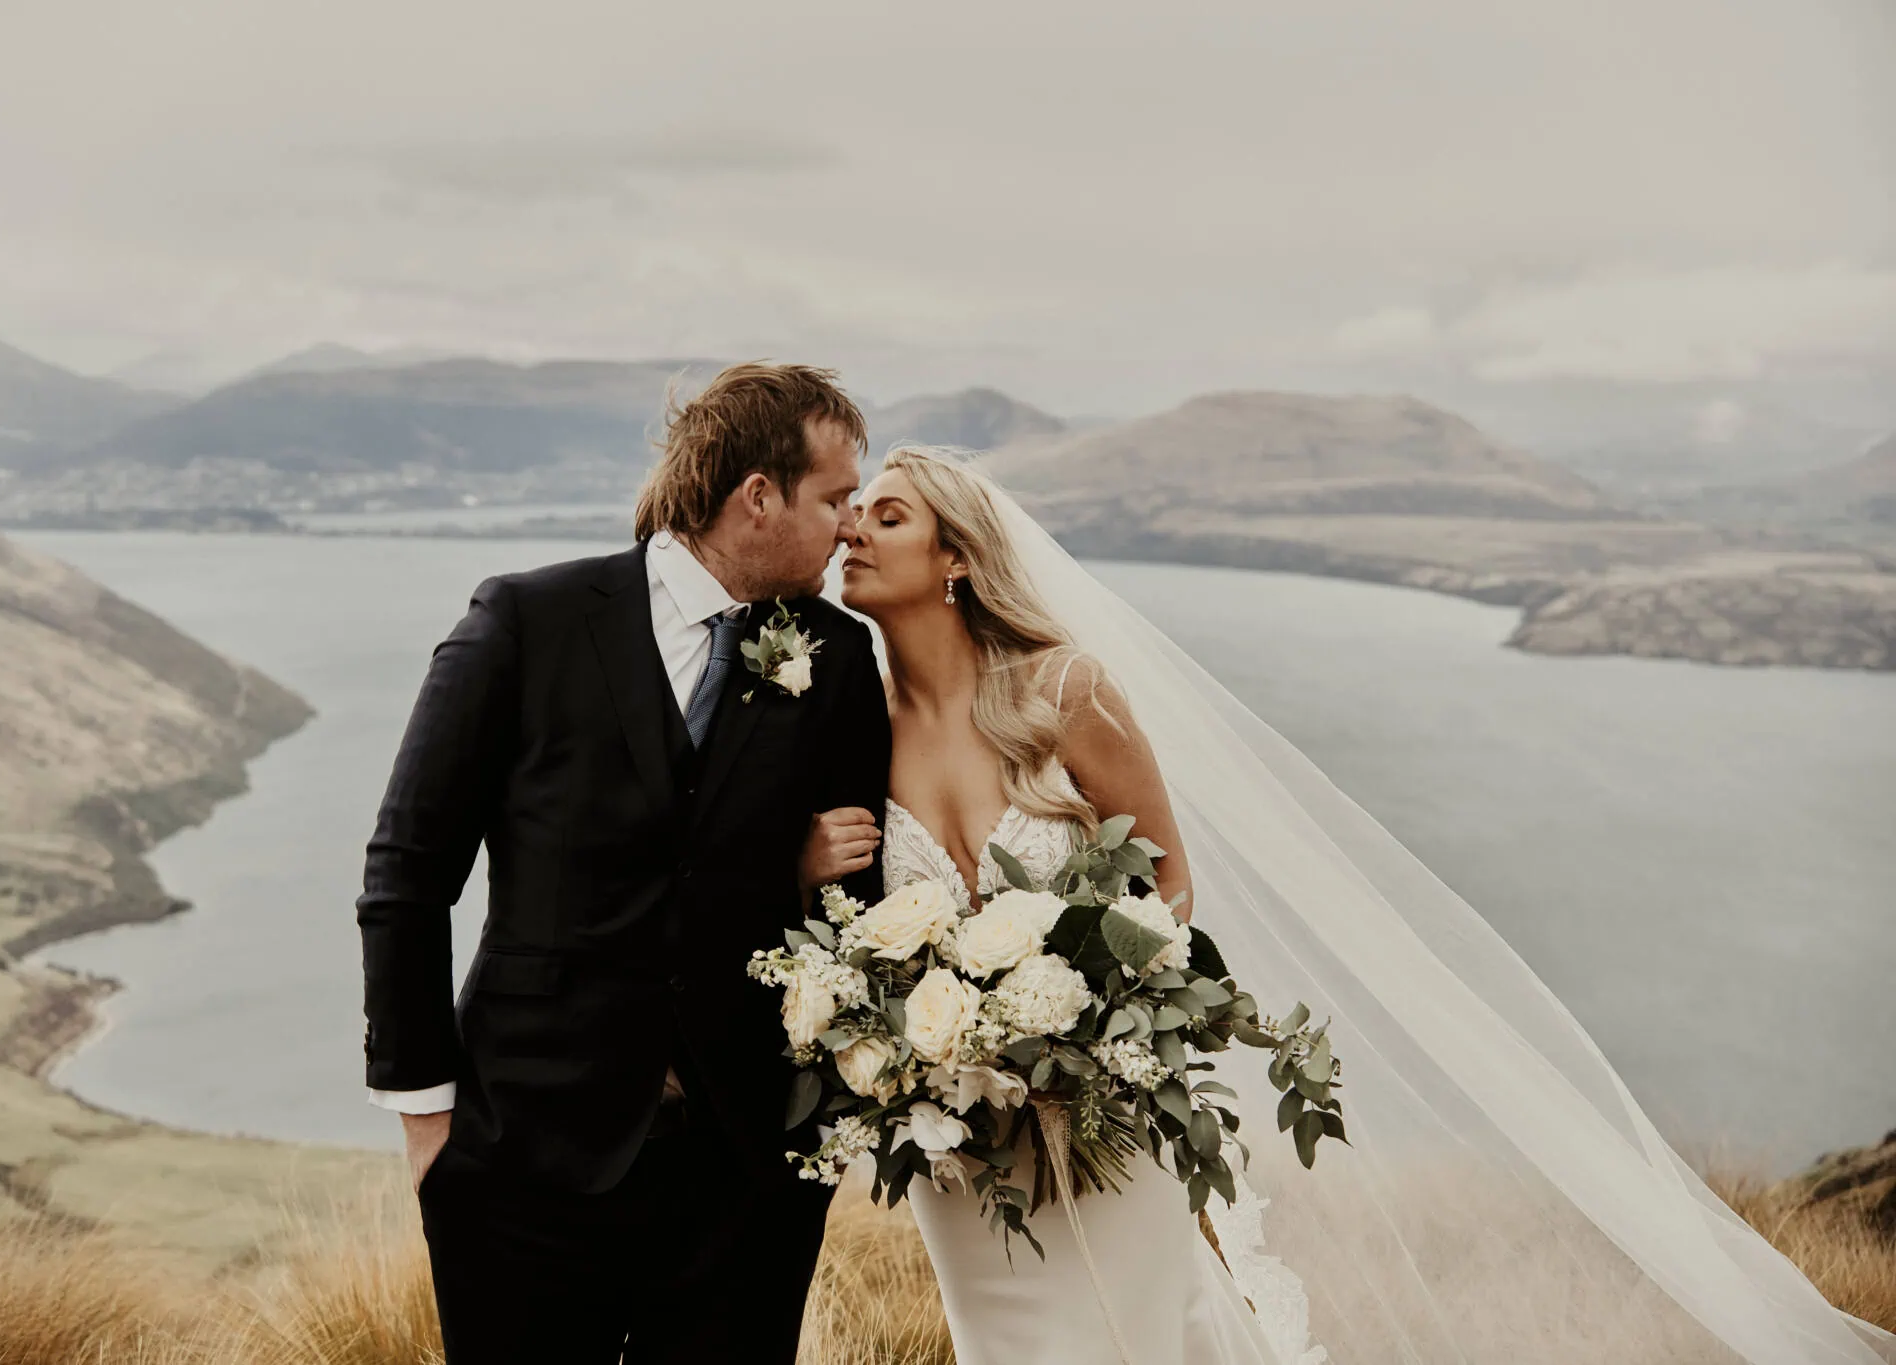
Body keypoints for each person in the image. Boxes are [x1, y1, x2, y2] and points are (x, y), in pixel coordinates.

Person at [800, 446, 1896, 1365]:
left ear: (954, 557)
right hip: (961, 1152)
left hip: (1101, 1117)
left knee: (1136, 1338)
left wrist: (1084, 1020)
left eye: (884, 517)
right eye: (849, 516)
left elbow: (1168, 882)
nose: (851, 532)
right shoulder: (857, 725)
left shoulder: (1062, 690)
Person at [356, 363, 891, 1365]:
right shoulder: (527, 621)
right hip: (523, 1157)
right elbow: (406, 874)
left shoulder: (837, 656)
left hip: (745, 1175)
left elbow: (849, 907)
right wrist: (429, 1128)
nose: (848, 528)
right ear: (757, 497)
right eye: (833, 499)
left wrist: (822, 1136)